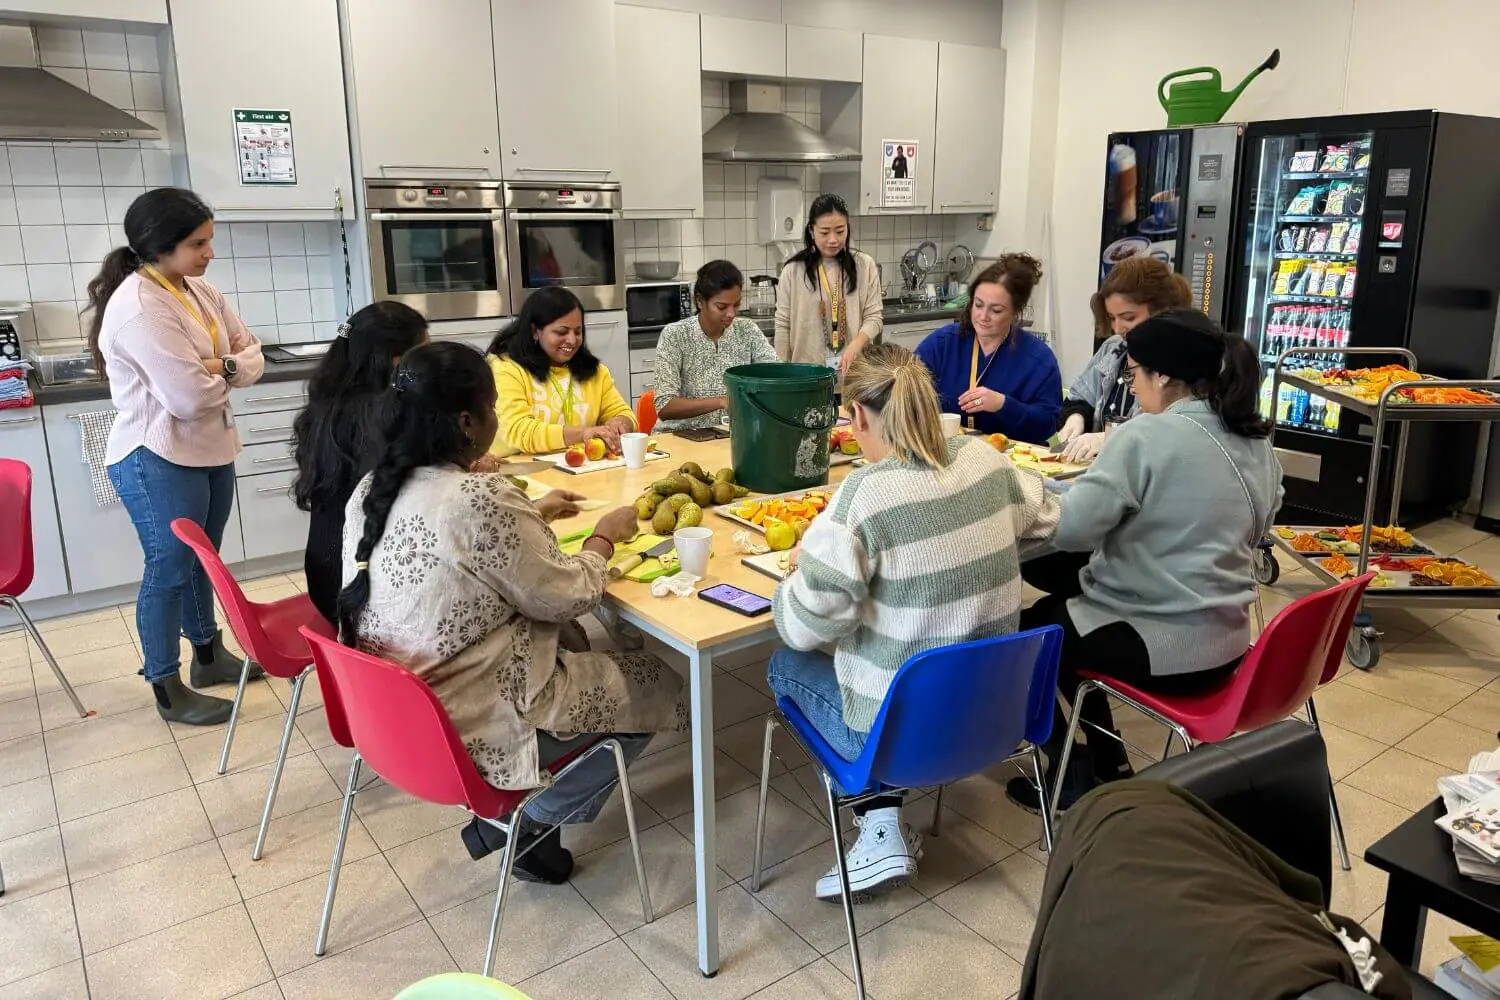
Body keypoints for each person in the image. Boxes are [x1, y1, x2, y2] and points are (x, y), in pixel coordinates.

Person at [338, 342, 687, 882]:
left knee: (580, 646)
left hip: (399, 716)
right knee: (658, 680)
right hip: (478, 717)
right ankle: (528, 821)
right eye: (492, 407)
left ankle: (528, 815)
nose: (496, 419)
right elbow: (569, 594)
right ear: (465, 421)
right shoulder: (477, 499)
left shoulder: (369, 489)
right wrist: (602, 538)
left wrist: (527, 513)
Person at [770, 342, 1060, 901]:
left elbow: (806, 625)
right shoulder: (985, 460)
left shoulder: (863, 496)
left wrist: (801, 568)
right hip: (995, 716)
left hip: (903, 733)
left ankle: (875, 821)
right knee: (898, 640)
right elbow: (1047, 514)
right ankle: (882, 821)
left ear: (856, 416)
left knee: (788, 662)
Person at [1005, 310, 1284, 814]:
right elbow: (1262, 518)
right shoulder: (1252, 437)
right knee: (1064, 608)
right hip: (1228, 641)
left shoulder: (1144, 436)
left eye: (1132, 372)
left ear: (1163, 375)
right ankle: (1108, 764)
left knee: (1026, 636)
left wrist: (1033, 491)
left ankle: (1074, 774)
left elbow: (1073, 528)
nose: (1130, 386)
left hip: (1162, 643)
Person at [88, 187, 266, 725]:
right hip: (157, 455)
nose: (209, 253)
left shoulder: (197, 289)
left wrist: (221, 365)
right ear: (159, 246)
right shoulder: (140, 307)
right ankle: (165, 684)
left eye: (208, 240)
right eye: (197, 243)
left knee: (201, 558)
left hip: (209, 446)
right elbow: (187, 399)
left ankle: (207, 656)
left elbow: (251, 351)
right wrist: (226, 367)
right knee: (168, 568)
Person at [292, 301, 428, 625]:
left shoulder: (329, 403)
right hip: (355, 590)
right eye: (422, 354)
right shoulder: (378, 415)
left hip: (325, 574)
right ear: (394, 360)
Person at [1055, 256, 1193, 464]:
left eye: (1128, 318)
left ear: (1161, 311)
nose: (1118, 328)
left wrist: (1109, 438)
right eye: (1112, 318)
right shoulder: (1113, 348)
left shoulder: (1180, 362)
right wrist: (1076, 418)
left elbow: (1167, 434)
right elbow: (1080, 397)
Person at [914, 253, 1061, 443]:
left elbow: (1048, 424)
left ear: (1016, 311)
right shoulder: (943, 343)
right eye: (978, 305)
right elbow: (905, 387)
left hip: (1013, 461)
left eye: (996, 310)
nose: (983, 316)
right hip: (949, 454)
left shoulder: (1038, 359)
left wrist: (1003, 405)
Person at [484, 286, 635, 458]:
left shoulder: (596, 371)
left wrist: (621, 422)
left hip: (584, 470)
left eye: (578, 332)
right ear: (535, 331)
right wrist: (582, 434)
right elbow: (518, 430)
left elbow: (622, 412)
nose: (571, 340)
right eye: (561, 332)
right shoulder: (506, 368)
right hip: (520, 472)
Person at [653, 259, 779, 432]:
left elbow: (776, 376)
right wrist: (721, 401)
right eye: (721, 307)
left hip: (729, 436)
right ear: (700, 302)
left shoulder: (747, 330)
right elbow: (665, 406)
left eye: (736, 305)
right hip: (679, 437)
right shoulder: (675, 336)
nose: (731, 314)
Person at [774, 194, 883, 372]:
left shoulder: (865, 265)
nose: (833, 239)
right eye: (824, 232)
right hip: (805, 376)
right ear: (811, 230)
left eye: (840, 231)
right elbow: (783, 325)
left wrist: (857, 344)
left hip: (852, 376)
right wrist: (781, 372)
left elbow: (874, 317)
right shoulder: (793, 271)